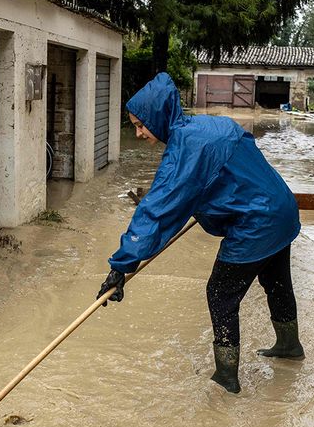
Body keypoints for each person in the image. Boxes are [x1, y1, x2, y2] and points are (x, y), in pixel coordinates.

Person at [96, 72, 302, 394]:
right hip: (282, 210)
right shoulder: (207, 126)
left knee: (220, 294)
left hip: (257, 223)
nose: (137, 133)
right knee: (276, 282)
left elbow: (155, 212)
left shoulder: (184, 151)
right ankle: (289, 347)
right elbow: (237, 168)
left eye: (140, 125)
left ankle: (226, 379)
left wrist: (120, 266)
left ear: (157, 117)